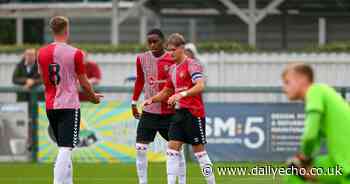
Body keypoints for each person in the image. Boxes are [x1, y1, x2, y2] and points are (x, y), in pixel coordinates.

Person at [142, 33, 216, 184]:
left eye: (173, 50)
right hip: (179, 114)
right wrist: (152, 99)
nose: (170, 53)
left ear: (182, 48)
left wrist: (182, 94)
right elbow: (167, 91)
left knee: (200, 153)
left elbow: (200, 85)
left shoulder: (192, 64)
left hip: (194, 113)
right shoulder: (173, 69)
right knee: (171, 149)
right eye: (168, 50)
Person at [37, 16, 102, 184]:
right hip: (69, 106)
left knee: (63, 148)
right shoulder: (76, 53)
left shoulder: (41, 53)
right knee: (66, 148)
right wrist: (93, 97)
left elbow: (42, 75)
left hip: (51, 105)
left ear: (52, 30)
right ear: (67, 30)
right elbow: (84, 82)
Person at [131, 29, 187, 184]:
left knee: (176, 150)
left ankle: (181, 182)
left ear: (163, 41)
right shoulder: (141, 58)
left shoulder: (173, 58)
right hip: (149, 111)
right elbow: (139, 81)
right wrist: (133, 102)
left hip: (169, 112)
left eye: (155, 41)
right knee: (140, 148)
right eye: (149, 41)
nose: (152, 44)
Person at [282, 63, 350, 184]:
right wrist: (305, 157)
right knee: (296, 172)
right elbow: (315, 139)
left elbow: (310, 135)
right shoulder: (323, 93)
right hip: (339, 164)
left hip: (345, 164)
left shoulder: (315, 90)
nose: (284, 88)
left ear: (302, 80)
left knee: (294, 173)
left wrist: (302, 157)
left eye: (287, 82)